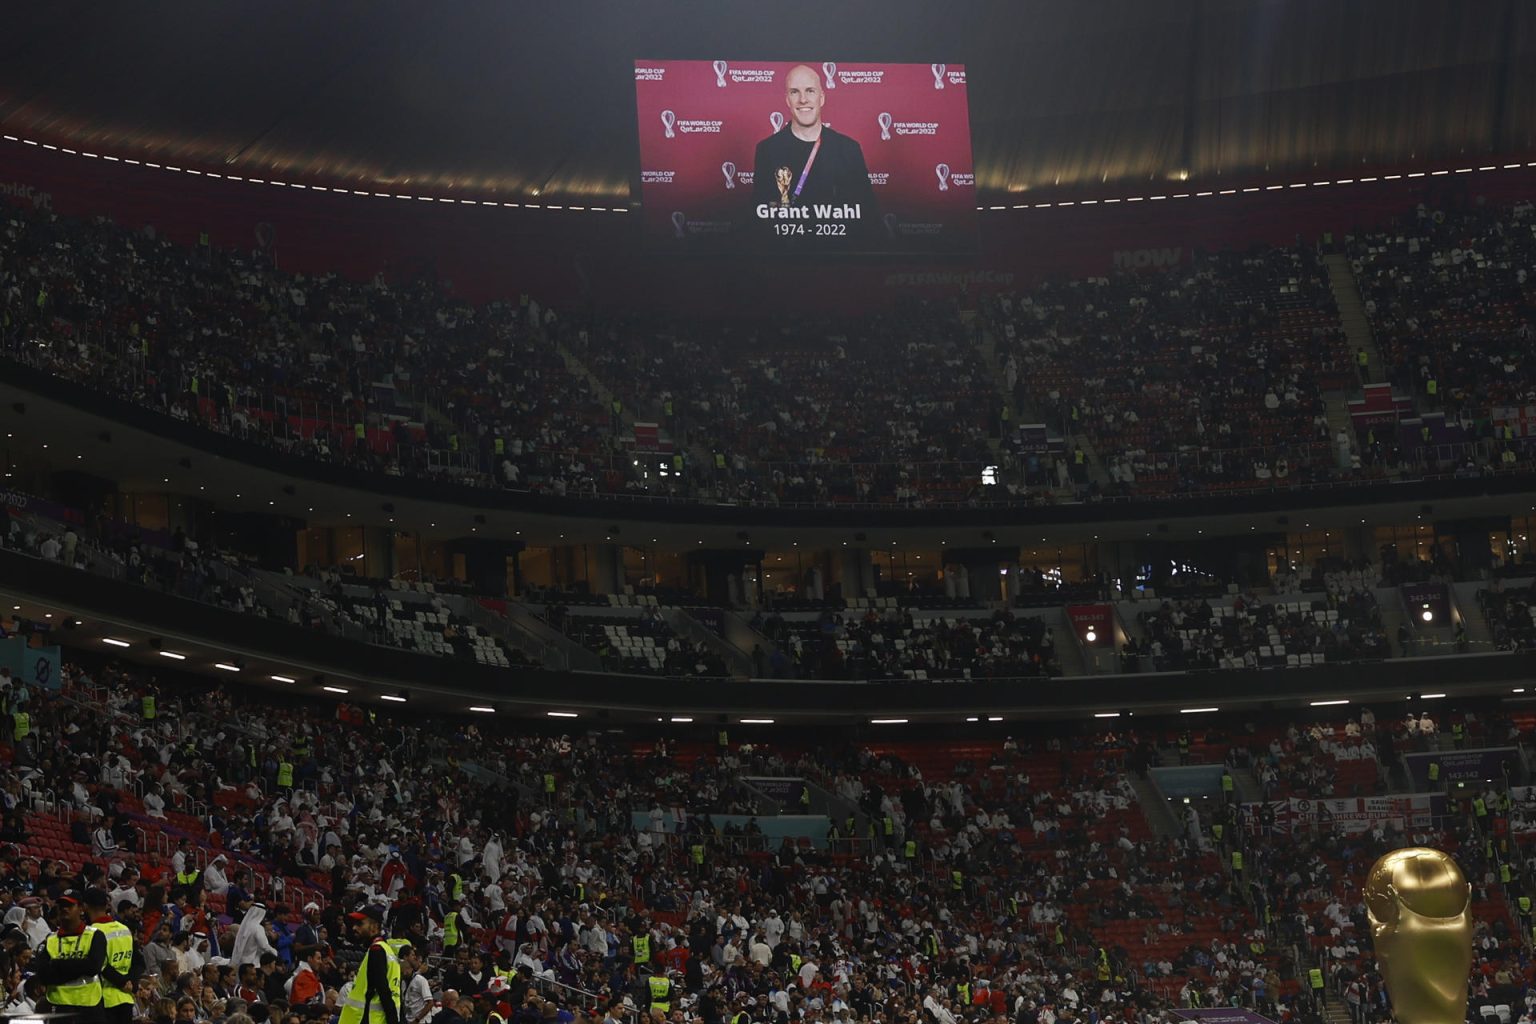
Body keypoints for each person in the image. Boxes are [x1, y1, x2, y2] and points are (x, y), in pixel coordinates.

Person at [751, 64, 877, 242]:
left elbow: (867, 216)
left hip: (839, 256)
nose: (803, 99)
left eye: (810, 91)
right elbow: (761, 217)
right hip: (786, 254)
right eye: (795, 92)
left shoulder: (849, 149)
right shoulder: (767, 150)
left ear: (822, 98)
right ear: (787, 99)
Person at [31, 891, 109, 1024]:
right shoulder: (50, 939)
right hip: (59, 1007)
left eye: (69, 905)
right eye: (61, 906)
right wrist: (79, 965)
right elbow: (44, 975)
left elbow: (93, 967)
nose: (64, 909)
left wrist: (57, 964)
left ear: (81, 908)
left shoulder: (95, 935)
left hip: (89, 1006)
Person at [85, 887, 142, 1024]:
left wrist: (122, 982)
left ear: (85, 906)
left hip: (103, 1000)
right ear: (106, 906)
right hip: (126, 998)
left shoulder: (90, 933)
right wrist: (131, 983)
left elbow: (100, 964)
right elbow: (139, 962)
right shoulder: (124, 929)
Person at [338, 905, 402, 1024]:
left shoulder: (376, 950)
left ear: (374, 926)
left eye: (360, 924)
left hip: (369, 1018)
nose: (354, 927)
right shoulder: (386, 949)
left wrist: (392, 1020)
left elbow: (383, 989)